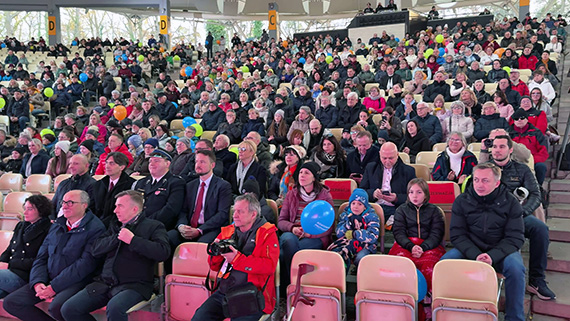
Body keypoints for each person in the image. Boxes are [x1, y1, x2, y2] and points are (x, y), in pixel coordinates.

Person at [60, 190, 170, 321]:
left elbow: (163, 252)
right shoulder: (114, 226)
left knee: (115, 309)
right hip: (105, 283)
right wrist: (117, 238)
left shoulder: (154, 226)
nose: (115, 210)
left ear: (134, 209)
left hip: (135, 285)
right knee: (69, 309)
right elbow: (95, 249)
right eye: (115, 206)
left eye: (120, 206)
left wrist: (133, 240)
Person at [3, 190, 105, 321]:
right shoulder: (57, 225)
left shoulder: (96, 228)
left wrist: (54, 287)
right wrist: (37, 282)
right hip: (49, 278)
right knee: (12, 302)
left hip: (76, 281)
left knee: (57, 307)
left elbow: (85, 265)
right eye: (63, 202)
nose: (65, 206)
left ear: (84, 205)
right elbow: (42, 257)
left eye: (70, 202)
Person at [441, 163, 526, 321]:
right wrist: (476, 254)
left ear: (497, 182)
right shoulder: (462, 201)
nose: (480, 185)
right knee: (445, 263)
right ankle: (447, 312)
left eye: (485, 181)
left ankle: (515, 317)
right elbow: (457, 235)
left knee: (516, 269)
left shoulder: (511, 202)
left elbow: (515, 237)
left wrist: (492, 255)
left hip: (501, 251)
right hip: (471, 248)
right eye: (477, 180)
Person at [191, 193, 279, 321]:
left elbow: (269, 267)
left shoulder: (267, 233)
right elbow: (214, 267)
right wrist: (216, 253)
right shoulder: (228, 231)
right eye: (234, 211)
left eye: (240, 211)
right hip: (225, 292)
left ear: (253, 214)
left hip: (251, 295)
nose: (234, 215)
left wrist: (237, 259)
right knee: (199, 317)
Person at [278, 162, 334, 287]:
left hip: (316, 236)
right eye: (301, 172)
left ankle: (290, 285)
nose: (302, 175)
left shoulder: (324, 196)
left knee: (286, 253)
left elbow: (329, 227)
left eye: (307, 173)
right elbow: (281, 221)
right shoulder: (292, 194)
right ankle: (294, 284)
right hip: (294, 234)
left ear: (314, 177)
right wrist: (292, 228)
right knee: (288, 240)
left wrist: (310, 234)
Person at [389, 178, 445, 298]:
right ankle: (401, 298)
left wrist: (422, 247)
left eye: (419, 192)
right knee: (400, 264)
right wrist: (411, 246)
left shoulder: (434, 211)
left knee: (430, 266)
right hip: (406, 245)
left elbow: (436, 234)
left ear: (425, 194)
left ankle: (427, 300)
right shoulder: (401, 210)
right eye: (411, 192)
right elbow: (399, 233)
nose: (414, 195)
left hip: (429, 245)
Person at [169, 149, 233, 247]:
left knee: (199, 246)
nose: (198, 165)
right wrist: (182, 226)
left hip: (209, 228)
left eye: (202, 162)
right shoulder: (190, 185)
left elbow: (222, 214)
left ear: (212, 165)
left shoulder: (223, 186)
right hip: (189, 227)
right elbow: (183, 211)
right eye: (196, 162)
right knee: (168, 238)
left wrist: (200, 230)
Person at [0, 195, 52, 298]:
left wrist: (10, 265)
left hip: (27, 276)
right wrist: (2, 262)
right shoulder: (21, 225)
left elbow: (40, 261)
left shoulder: (49, 229)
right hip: (11, 271)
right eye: (25, 208)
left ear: (41, 210)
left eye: (30, 209)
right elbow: (10, 249)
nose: (25, 212)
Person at [361, 142, 416, 225]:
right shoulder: (370, 168)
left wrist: (396, 198)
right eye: (384, 158)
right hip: (373, 207)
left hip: (397, 209)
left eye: (391, 158)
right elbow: (361, 191)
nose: (387, 161)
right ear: (379, 155)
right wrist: (373, 194)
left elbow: (414, 197)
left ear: (397, 155)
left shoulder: (408, 171)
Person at [133, 149, 185, 230]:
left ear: (167, 164)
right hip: (137, 224)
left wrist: (146, 222)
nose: (152, 164)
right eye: (150, 161)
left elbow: (171, 209)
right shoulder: (141, 182)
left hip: (159, 227)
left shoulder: (175, 183)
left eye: (156, 161)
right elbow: (133, 205)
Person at [328, 188, 380, 269]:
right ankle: (339, 275)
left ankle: (360, 273)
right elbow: (338, 233)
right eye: (353, 203)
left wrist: (355, 234)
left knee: (360, 258)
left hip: (366, 245)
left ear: (365, 206)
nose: (356, 206)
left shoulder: (372, 217)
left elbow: (373, 237)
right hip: (347, 243)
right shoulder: (345, 215)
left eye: (360, 204)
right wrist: (348, 224)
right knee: (337, 254)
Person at [90, 152, 135, 226]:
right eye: (106, 163)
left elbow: (125, 212)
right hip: (95, 223)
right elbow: (91, 207)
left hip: (116, 225)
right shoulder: (98, 184)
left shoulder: (130, 185)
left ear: (122, 167)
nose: (107, 166)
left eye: (112, 163)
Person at [508, 109, 548, 185]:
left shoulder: (536, 133)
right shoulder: (508, 134)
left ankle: (538, 188)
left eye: (522, 118)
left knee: (541, 167)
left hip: (533, 160)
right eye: (516, 119)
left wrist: (531, 160)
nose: (519, 120)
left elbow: (544, 151)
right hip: (514, 160)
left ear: (527, 119)